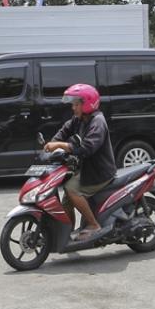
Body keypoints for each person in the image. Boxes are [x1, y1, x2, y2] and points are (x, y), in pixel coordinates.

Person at [44, 83, 116, 241]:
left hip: (99, 172)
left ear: (87, 103)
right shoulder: (79, 119)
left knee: (71, 189)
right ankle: (67, 233)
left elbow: (86, 148)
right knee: (66, 197)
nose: (73, 108)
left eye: (76, 104)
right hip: (85, 168)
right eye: (73, 104)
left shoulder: (97, 122)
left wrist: (61, 145)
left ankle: (93, 225)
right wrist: (52, 143)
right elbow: (64, 131)